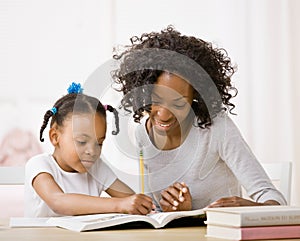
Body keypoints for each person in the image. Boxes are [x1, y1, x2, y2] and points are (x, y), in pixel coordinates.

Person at [112, 26, 287, 212]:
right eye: (156, 100)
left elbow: (274, 199)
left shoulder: (216, 128)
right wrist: (170, 210)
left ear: (195, 97)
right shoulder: (142, 133)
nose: (163, 115)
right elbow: (154, 211)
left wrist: (251, 208)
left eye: (178, 104)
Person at [24, 82, 154, 217]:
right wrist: (118, 205)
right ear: (55, 137)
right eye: (82, 142)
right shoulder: (40, 165)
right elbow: (58, 202)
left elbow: (131, 200)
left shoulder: (97, 168)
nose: (92, 151)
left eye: (99, 143)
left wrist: (146, 205)